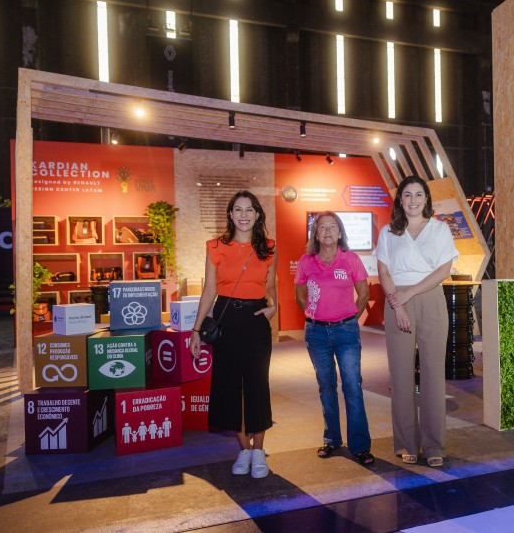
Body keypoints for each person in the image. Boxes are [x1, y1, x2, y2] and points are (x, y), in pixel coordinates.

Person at [190, 190, 277, 479]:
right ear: (230, 214)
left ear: (257, 214)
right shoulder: (215, 246)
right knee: (231, 387)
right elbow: (209, 290)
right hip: (226, 320)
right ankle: (244, 449)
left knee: (257, 385)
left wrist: (273, 308)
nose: (243, 215)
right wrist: (196, 330)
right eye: (238, 209)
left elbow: (271, 285)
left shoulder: (269, 248)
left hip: (255, 321)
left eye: (249, 209)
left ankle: (259, 450)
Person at [374, 175, 458, 468]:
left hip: (430, 300)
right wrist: (398, 303)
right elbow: (384, 271)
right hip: (396, 302)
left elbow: (444, 270)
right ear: (400, 199)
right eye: (407, 194)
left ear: (426, 198)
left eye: (418, 194)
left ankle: (435, 445)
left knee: (434, 375)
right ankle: (406, 443)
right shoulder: (388, 232)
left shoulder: (440, 229)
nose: (413, 200)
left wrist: (410, 293)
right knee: (401, 376)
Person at [294, 212, 374, 465]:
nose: (327, 231)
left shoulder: (350, 259)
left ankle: (360, 446)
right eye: (322, 227)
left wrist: (349, 319)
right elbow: (300, 296)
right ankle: (332, 439)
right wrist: (315, 315)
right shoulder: (306, 261)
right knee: (326, 386)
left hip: (345, 332)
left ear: (340, 233)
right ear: (315, 234)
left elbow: (364, 294)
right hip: (316, 334)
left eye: (332, 227)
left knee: (352, 386)